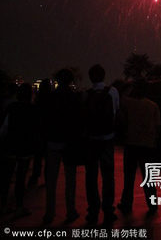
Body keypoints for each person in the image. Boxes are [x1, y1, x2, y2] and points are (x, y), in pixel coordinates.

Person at [43, 69, 81, 224]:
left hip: (52, 142)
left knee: (51, 181)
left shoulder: (50, 98)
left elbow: (44, 120)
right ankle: (70, 211)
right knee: (70, 180)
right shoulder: (74, 98)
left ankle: (49, 213)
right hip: (69, 144)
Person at [117, 79, 160, 215]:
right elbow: (158, 126)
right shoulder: (153, 106)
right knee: (148, 178)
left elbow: (120, 98)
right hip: (147, 145)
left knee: (129, 177)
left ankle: (126, 203)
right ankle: (152, 204)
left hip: (131, 144)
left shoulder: (127, 103)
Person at [83, 64, 118, 226]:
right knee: (108, 175)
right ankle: (108, 209)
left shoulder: (86, 94)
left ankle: (93, 211)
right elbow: (115, 113)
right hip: (107, 138)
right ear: (104, 76)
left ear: (91, 77)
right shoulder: (112, 92)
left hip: (91, 140)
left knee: (91, 176)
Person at [0, 83, 37, 218]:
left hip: (10, 147)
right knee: (21, 179)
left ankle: (3, 205)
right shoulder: (33, 109)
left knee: (6, 177)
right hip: (25, 148)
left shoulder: (12, 108)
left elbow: (4, 128)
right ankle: (19, 206)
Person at [28, 79, 52, 188]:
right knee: (48, 158)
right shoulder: (52, 100)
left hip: (39, 132)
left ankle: (35, 176)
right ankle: (47, 179)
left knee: (38, 157)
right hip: (49, 132)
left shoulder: (37, 101)